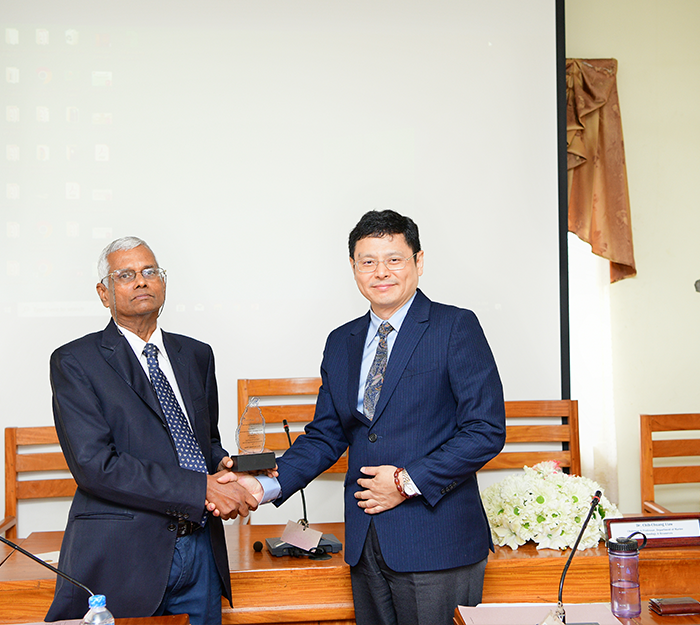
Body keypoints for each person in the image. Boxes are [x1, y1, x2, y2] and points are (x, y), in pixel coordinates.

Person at [236, 210, 506, 625]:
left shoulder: (454, 326)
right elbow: (326, 436)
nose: (381, 272)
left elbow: (484, 431)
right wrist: (263, 486)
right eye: (368, 261)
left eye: (394, 259)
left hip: (436, 541)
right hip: (365, 543)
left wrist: (404, 481)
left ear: (418, 261)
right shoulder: (341, 341)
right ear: (353, 267)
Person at [46, 236, 260, 624]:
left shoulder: (196, 354)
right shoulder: (75, 361)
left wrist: (226, 468)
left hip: (201, 547)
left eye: (150, 271)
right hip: (125, 556)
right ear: (104, 293)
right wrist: (201, 489)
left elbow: (204, 441)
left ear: (163, 282)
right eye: (126, 275)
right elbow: (96, 466)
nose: (141, 281)